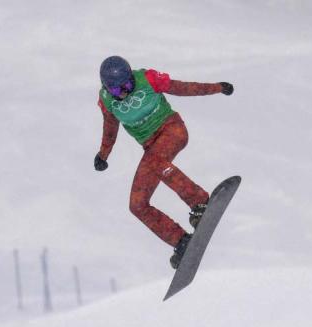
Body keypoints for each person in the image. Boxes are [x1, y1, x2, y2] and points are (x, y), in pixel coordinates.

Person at [94, 56, 234, 269]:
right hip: (152, 149)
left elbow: (184, 88)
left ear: (132, 78)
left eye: (128, 86)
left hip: (172, 130)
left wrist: (217, 87)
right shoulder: (107, 101)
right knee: (137, 204)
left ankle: (200, 202)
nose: (124, 93)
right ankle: (181, 241)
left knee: (155, 160)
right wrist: (103, 155)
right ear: (106, 88)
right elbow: (110, 129)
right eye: (116, 90)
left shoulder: (148, 79)